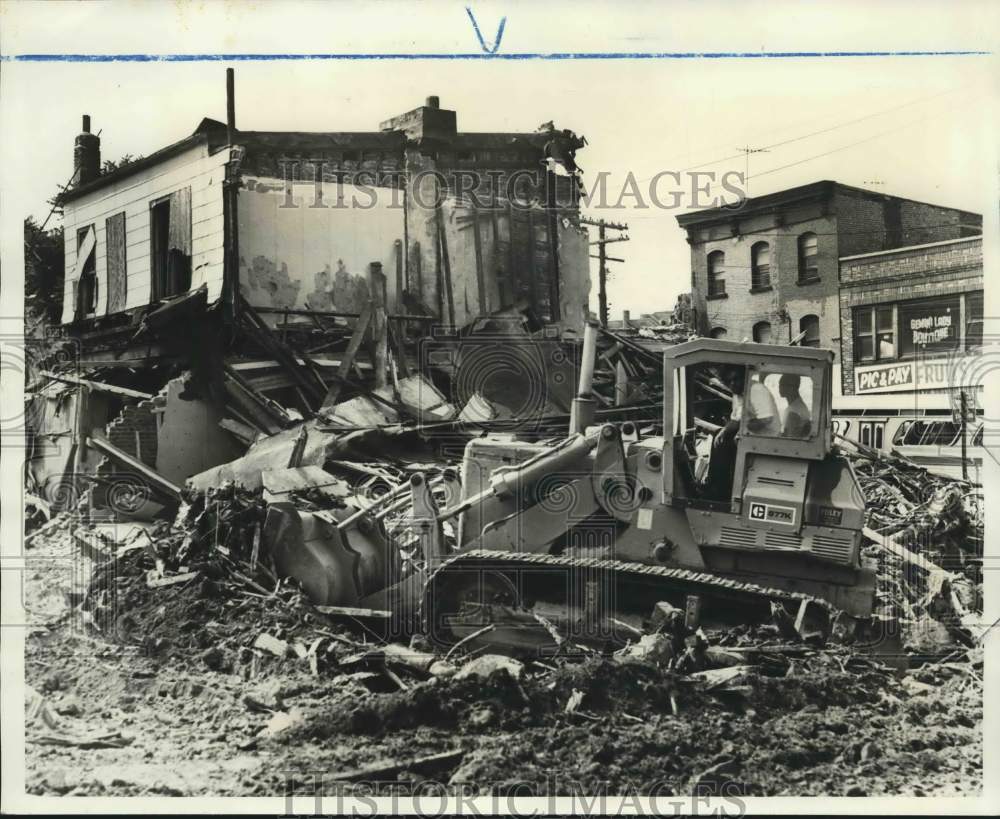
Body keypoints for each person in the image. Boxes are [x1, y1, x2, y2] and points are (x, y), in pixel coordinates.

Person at [778, 373, 811, 438]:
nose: (779, 387)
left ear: (793, 387)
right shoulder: (797, 406)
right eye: (780, 385)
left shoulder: (794, 411)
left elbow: (789, 438)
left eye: (782, 385)